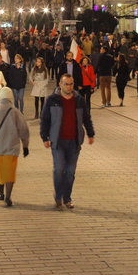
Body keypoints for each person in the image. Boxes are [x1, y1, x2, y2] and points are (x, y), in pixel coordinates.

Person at [40, 74, 95, 210]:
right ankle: (58, 196)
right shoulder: (52, 100)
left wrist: (90, 133)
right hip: (58, 141)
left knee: (70, 172)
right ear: (60, 84)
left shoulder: (79, 100)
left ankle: (67, 198)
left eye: (71, 84)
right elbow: (45, 119)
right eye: (66, 84)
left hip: (74, 142)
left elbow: (86, 118)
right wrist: (44, 137)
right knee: (59, 170)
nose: (69, 87)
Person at [0, 87, 29, 207]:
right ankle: (8, 196)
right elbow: (24, 130)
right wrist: (25, 146)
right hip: (12, 148)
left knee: (0, 170)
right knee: (10, 172)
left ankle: (0, 193)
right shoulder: (16, 112)